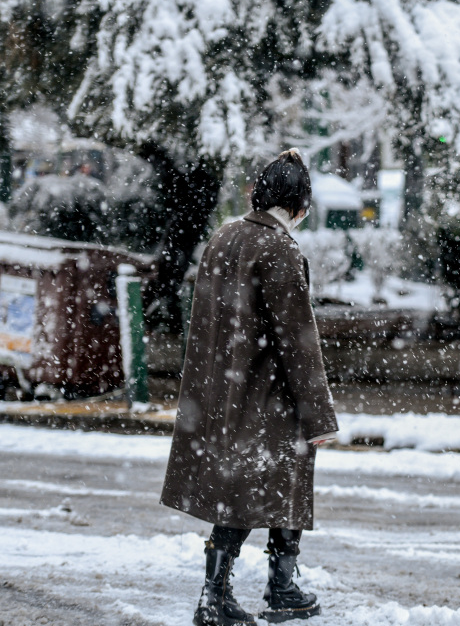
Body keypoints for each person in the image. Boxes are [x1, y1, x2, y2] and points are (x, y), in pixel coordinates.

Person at [161, 149, 339, 626]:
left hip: (224, 388)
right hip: (267, 394)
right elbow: (298, 338)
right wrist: (318, 415)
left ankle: (263, 588)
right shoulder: (279, 248)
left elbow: (207, 321)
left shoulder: (224, 237)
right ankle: (233, 594)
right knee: (261, 485)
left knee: (252, 485)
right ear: (300, 205)